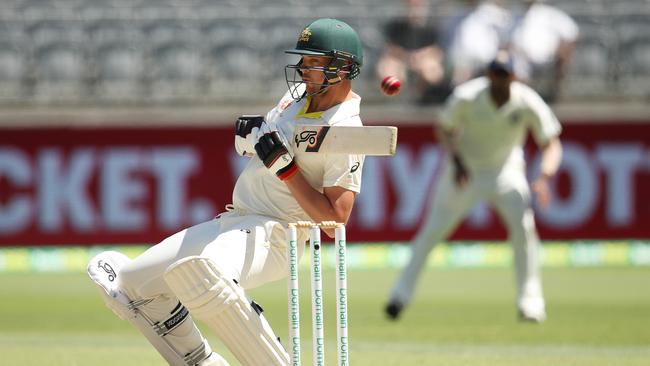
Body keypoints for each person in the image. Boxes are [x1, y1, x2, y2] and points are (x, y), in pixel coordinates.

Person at [87, 18, 365, 366]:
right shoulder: (295, 100)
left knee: (207, 273)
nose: (302, 70)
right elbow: (264, 144)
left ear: (342, 68)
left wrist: (288, 171)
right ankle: (202, 360)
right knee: (131, 286)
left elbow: (334, 219)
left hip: (279, 234)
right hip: (234, 221)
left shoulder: (346, 129)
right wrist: (251, 139)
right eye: (303, 61)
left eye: (313, 63)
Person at [385, 50, 562, 323]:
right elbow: (444, 128)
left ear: (514, 76)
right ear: (489, 74)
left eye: (505, 74)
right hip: (465, 172)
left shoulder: (526, 101)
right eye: (496, 73)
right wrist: (457, 162)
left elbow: (551, 142)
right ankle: (399, 296)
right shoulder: (467, 96)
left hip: (506, 172)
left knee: (524, 232)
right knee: (431, 232)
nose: (500, 80)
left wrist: (544, 177)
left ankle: (531, 303)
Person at [375, 0, 448, 104]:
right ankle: (395, 102)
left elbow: (436, 51)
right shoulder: (396, 25)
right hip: (400, 59)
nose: (414, 10)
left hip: (422, 60)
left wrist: (420, 56)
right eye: (411, 6)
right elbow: (390, 49)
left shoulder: (431, 26)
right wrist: (406, 56)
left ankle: (421, 99)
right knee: (387, 70)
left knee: (432, 71)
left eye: (417, 7)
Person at [508, 0, 579, 103]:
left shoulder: (549, 14)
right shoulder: (512, 16)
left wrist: (561, 51)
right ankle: (521, 100)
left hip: (549, 62)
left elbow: (572, 33)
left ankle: (553, 95)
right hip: (522, 64)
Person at [447, 0, 511, 86]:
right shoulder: (457, 15)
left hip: (488, 66)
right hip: (464, 68)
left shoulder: (493, 13)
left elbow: (506, 35)